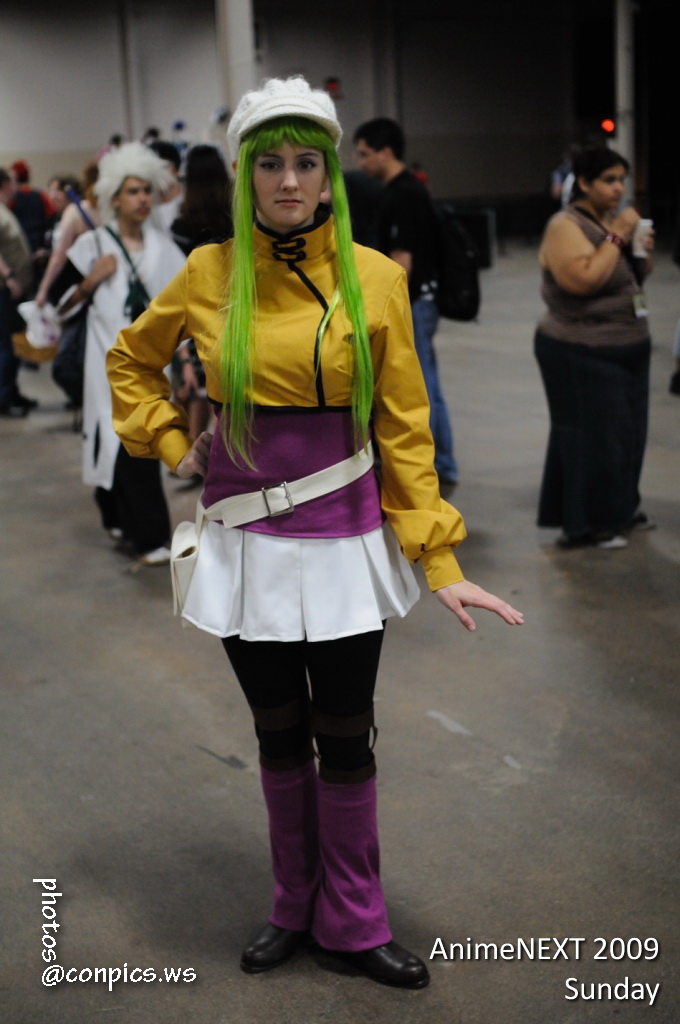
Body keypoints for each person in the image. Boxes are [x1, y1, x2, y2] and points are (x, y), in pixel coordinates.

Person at [107, 77, 523, 989]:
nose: (289, 181)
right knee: (277, 734)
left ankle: (355, 920)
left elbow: (404, 428)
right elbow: (130, 359)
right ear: (246, 175)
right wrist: (173, 440)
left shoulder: (375, 278)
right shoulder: (209, 272)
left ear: (329, 175)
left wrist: (439, 558)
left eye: (306, 163)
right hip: (242, 546)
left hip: (344, 542)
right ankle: (293, 904)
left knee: (347, 735)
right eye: (271, 165)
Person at [49, 142, 186, 563]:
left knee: (138, 440)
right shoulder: (92, 245)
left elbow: (185, 309)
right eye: (132, 191)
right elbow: (57, 306)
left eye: (146, 190)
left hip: (150, 367)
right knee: (111, 441)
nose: (142, 198)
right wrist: (91, 281)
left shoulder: (165, 249)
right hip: (103, 365)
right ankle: (143, 533)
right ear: (114, 197)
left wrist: (186, 362)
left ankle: (136, 528)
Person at [534, 145, 655, 549]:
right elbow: (583, 281)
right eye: (609, 180)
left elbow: (629, 278)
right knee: (592, 439)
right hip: (580, 347)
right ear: (584, 183)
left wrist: (641, 251)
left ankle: (621, 509)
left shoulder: (608, 221)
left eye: (622, 179)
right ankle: (589, 524)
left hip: (628, 344)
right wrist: (618, 234)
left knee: (628, 435)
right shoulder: (564, 225)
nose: (619, 188)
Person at [353, 118, 458, 487]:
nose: (360, 162)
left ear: (385, 152)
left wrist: (383, 312)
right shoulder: (406, 189)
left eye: (364, 154)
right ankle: (441, 462)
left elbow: (402, 265)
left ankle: (437, 466)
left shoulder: (403, 195)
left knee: (421, 388)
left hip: (414, 304)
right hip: (421, 301)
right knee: (427, 385)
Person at [170, 144, 233, 459]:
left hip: (197, 311)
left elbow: (176, 276)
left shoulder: (182, 225)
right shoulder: (239, 215)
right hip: (235, 308)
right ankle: (226, 452)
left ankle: (194, 455)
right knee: (225, 390)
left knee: (194, 388)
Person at [0, 168, 36, 416]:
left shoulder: (5, 209)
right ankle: (4, 397)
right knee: (7, 345)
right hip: (6, 289)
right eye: (13, 182)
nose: (17, 186)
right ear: (4, 185)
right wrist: (9, 277)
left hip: (14, 288)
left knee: (13, 344)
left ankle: (12, 392)